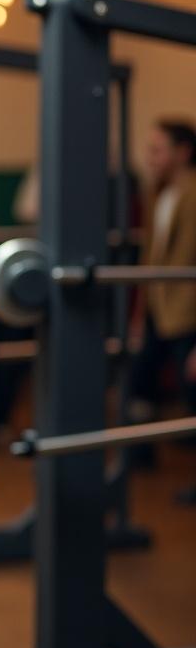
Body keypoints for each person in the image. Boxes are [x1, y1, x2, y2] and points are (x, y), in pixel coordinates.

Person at [128, 119, 196, 435]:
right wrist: (140, 315)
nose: (150, 158)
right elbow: (150, 257)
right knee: (137, 384)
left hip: (187, 314)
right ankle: (139, 458)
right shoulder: (157, 193)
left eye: (158, 150)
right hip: (160, 308)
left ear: (183, 152)